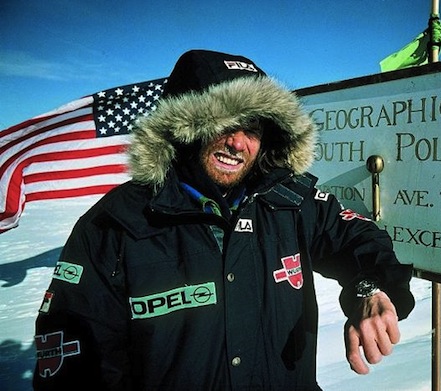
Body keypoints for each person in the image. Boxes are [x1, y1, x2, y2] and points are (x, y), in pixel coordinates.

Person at [33, 50, 415, 390]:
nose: (238, 143)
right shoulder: (115, 223)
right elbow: (73, 357)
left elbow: (357, 235)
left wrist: (370, 289)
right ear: (183, 127)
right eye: (223, 122)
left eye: (252, 128)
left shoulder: (291, 200)